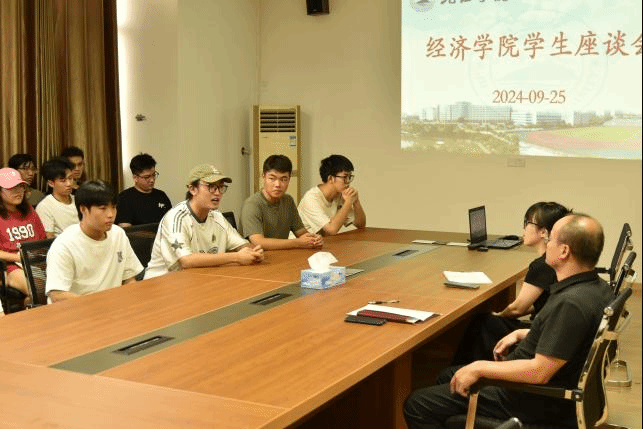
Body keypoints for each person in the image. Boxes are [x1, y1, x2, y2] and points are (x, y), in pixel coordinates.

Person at [404, 214, 614, 428]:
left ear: (564, 251)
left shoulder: (571, 304)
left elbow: (539, 372)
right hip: (546, 391)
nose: (547, 243)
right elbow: (570, 337)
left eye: (550, 239)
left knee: (417, 405)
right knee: (448, 376)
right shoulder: (598, 289)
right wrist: (522, 333)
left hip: (530, 400)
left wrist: (480, 368)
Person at [451, 202, 571, 364]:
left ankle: (458, 370)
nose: (524, 229)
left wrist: (499, 315)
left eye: (527, 223)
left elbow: (517, 308)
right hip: (546, 328)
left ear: (543, 232)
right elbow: (541, 301)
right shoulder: (557, 261)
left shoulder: (542, 266)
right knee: (486, 320)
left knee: (482, 321)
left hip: (538, 334)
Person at [144, 164, 264, 279]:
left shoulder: (217, 217)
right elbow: (186, 260)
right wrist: (236, 257)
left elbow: (241, 245)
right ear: (192, 189)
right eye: (211, 187)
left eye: (221, 187)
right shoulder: (176, 218)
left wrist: (253, 252)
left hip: (199, 278)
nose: (217, 192)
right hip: (162, 282)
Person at [45, 181, 143, 303]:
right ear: (83, 209)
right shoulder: (64, 245)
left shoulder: (118, 234)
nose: (111, 214)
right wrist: (95, 303)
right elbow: (57, 295)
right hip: (78, 308)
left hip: (113, 305)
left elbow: (129, 279)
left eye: (113, 207)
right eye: (103, 208)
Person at [240, 155, 323, 250]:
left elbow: (301, 233)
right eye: (272, 178)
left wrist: (313, 239)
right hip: (257, 256)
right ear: (264, 177)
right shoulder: (252, 204)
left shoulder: (288, 201)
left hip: (281, 254)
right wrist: (297, 243)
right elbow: (259, 242)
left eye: (284, 179)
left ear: (289, 179)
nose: (278, 184)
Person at [0, 168, 47, 297]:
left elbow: (43, 239)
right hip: (10, 265)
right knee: (39, 289)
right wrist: (21, 257)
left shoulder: (29, 210)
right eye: (11, 188)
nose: (18, 191)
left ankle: (28, 304)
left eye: (20, 186)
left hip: (37, 260)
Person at [298, 154, 366, 236]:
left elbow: (361, 225)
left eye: (349, 177)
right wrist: (348, 202)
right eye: (345, 177)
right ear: (330, 178)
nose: (348, 181)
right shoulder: (311, 198)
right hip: (300, 242)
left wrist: (356, 201)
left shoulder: (340, 195)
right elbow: (331, 230)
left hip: (322, 241)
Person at [115, 153, 171, 227]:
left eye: (154, 175)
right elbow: (125, 229)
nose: (152, 180)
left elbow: (171, 222)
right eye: (147, 177)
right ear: (135, 178)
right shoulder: (124, 198)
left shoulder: (161, 195)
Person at [36, 157, 80, 238]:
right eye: (63, 180)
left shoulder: (78, 200)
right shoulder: (44, 207)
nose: (69, 184)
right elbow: (48, 239)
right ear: (51, 183)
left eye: (70, 178)